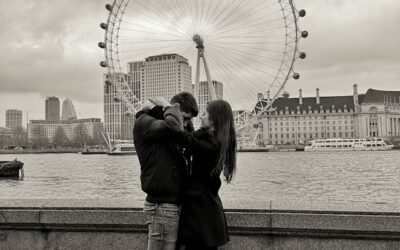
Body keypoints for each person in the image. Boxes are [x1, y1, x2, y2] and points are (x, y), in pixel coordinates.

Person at [160, 99, 237, 250]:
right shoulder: (213, 142)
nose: (200, 117)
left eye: (204, 114)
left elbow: (181, 136)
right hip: (204, 213)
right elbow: (190, 137)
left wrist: (169, 109)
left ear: (213, 119)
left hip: (201, 217)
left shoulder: (211, 147)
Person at [133, 92, 198, 250]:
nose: (186, 124)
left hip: (171, 206)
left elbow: (190, 140)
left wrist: (165, 110)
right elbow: (173, 127)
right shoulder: (145, 122)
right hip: (161, 207)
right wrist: (168, 107)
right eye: (185, 118)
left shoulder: (167, 125)